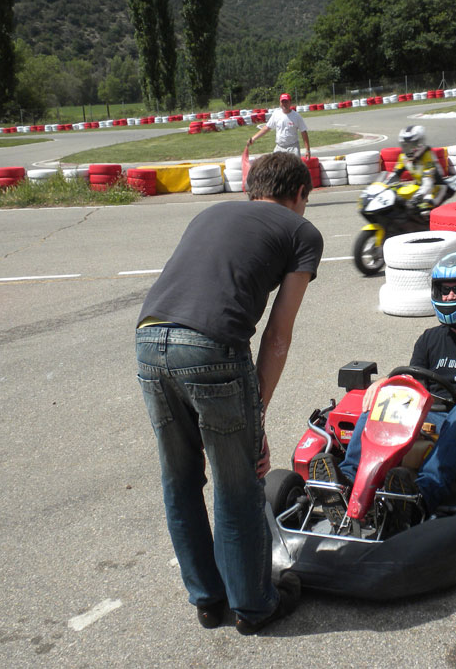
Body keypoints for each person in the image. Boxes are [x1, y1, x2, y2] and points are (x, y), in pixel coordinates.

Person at [135, 152, 323, 634]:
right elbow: (278, 335)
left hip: (149, 340)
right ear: (299, 194)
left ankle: (207, 598)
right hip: (211, 346)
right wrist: (255, 417)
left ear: (251, 188)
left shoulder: (210, 212)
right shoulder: (302, 232)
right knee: (238, 484)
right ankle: (254, 605)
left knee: (180, 479)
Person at [309, 251, 456, 531]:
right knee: (384, 401)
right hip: (435, 419)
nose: (450, 297)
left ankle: (422, 497)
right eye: (444, 290)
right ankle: (346, 484)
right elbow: (412, 382)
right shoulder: (430, 339)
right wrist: (385, 384)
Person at [388, 125, 453, 215]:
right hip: (418, 186)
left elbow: (428, 180)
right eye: (405, 145)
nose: (408, 149)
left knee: (425, 208)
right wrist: (384, 186)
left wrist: (418, 196)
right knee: (397, 198)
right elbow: (395, 174)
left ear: (420, 142)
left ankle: (432, 222)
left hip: (436, 188)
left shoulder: (428, 156)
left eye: (412, 145)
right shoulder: (403, 156)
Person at [247, 93, 311, 157]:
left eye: (286, 102)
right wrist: (253, 138)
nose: (284, 104)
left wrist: (307, 150)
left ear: (290, 102)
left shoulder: (296, 116)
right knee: (274, 163)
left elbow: (303, 132)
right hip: (279, 147)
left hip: (293, 148)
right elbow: (266, 128)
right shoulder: (276, 114)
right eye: (282, 102)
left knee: (294, 164)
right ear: (280, 103)